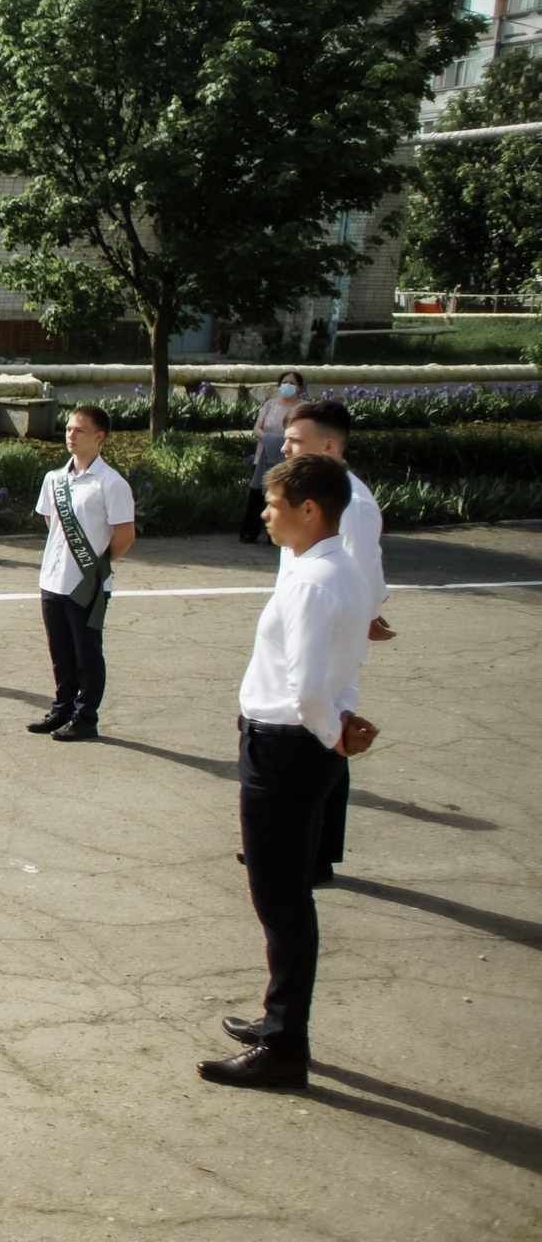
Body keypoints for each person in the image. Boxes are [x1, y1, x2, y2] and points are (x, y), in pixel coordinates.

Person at [200, 454, 374, 1090]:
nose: (264, 513)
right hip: (304, 747)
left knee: (280, 900)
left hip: (286, 749)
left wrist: (332, 735)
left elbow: (305, 689)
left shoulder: (312, 583)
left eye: (273, 504)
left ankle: (283, 1049)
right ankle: (279, 1020)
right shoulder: (337, 568)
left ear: (309, 509)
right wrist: (340, 728)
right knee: (288, 896)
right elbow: (344, 668)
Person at [278, 399, 391, 886]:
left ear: (328, 445)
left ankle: (315, 855)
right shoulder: (307, 491)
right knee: (303, 736)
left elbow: (363, 571)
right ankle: (288, 842)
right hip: (304, 625)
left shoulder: (354, 504)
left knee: (324, 735)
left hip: (328, 634)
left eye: (295, 441)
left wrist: (369, 614)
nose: (285, 448)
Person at [30, 404, 137, 743]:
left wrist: (96, 569)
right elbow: (52, 524)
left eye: (79, 430)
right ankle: (62, 708)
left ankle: (86, 716)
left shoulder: (112, 483)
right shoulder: (54, 479)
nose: (70, 435)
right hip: (52, 580)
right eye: (68, 429)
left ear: (99, 437)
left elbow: (125, 536)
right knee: (60, 650)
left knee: (86, 653)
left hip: (87, 584)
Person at [239, 370, 309, 542]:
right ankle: (249, 532)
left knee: (283, 495)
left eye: (292, 383)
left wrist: (283, 442)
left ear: (299, 387)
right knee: (257, 495)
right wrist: (269, 439)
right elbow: (257, 428)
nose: (287, 386)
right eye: (285, 382)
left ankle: (276, 535)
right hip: (263, 455)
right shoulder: (270, 405)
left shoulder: (304, 408)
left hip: (288, 458)